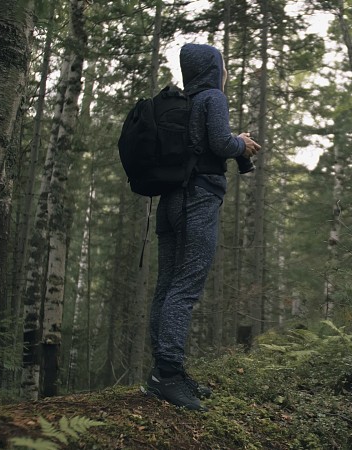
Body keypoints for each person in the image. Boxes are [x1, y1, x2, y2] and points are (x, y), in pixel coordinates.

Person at [144, 43, 260, 411]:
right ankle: (168, 375)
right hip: (199, 199)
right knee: (186, 287)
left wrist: (230, 142)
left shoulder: (184, 101)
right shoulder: (213, 97)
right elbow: (220, 143)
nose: (225, 71)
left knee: (167, 287)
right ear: (213, 67)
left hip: (170, 202)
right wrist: (239, 143)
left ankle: (163, 372)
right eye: (222, 65)